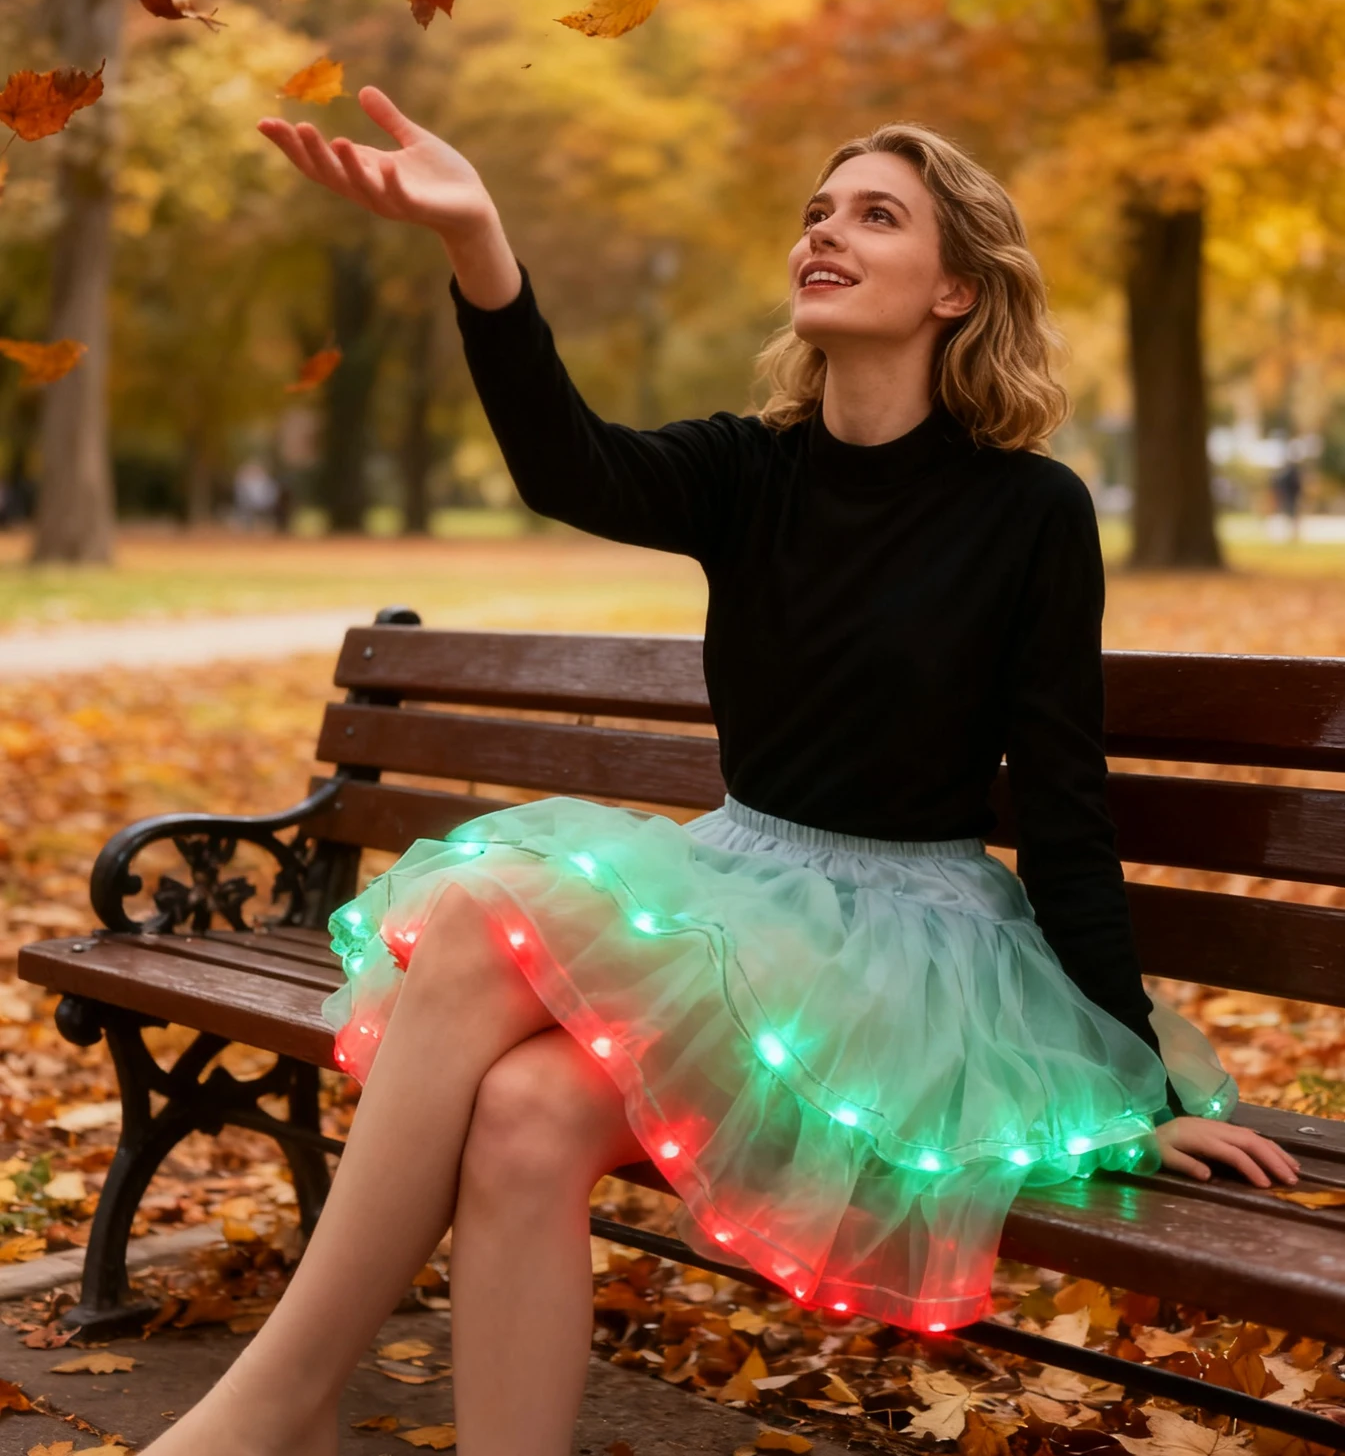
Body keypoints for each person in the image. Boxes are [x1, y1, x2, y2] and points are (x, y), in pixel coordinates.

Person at [145, 88, 1300, 1456]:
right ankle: (322, 1411)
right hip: (742, 881)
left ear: (956, 291)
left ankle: (277, 1405)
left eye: (878, 216)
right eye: (819, 211)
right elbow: (562, 462)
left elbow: (1063, 806)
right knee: (519, 1116)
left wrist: (1137, 1083)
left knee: (467, 914)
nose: (828, 232)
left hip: (902, 951)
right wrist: (478, 242)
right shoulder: (747, 471)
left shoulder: (1029, 511)